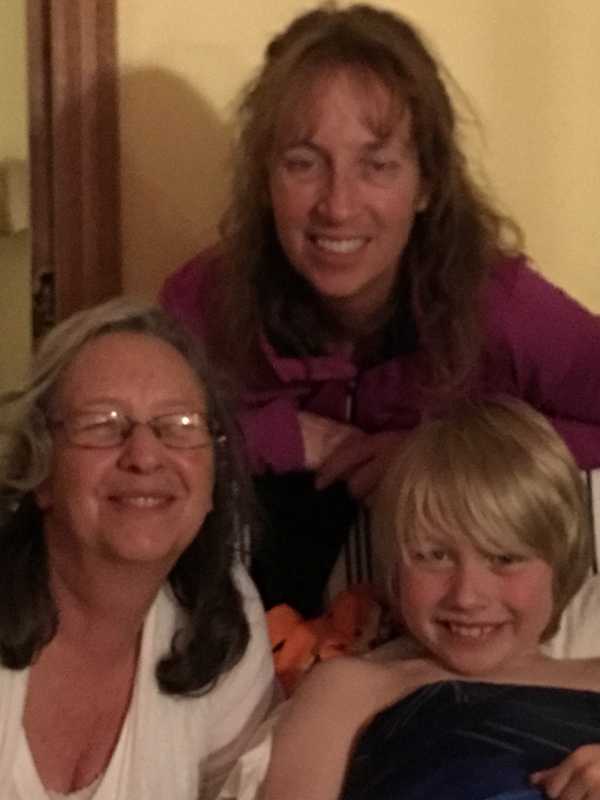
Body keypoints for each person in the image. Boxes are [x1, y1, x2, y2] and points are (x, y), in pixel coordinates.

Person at [161, 3, 600, 616]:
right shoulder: (203, 299)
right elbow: (137, 443)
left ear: (427, 184)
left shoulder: (503, 307)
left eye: (378, 166)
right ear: (264, 179)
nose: (338, 206)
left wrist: (442, 457)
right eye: (303, 163)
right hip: (268, 640)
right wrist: (285, 436)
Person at [0, 298, 275, 799]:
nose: (145, 456)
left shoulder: (221, 613)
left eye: (180, 426)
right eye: (102, 424)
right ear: (39, 469)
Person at [262, 398, 600, 800]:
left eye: (505, 559)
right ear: (394, 566)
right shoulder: (349, 691)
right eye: (434, 556)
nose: (467, 597)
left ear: (561, 563)